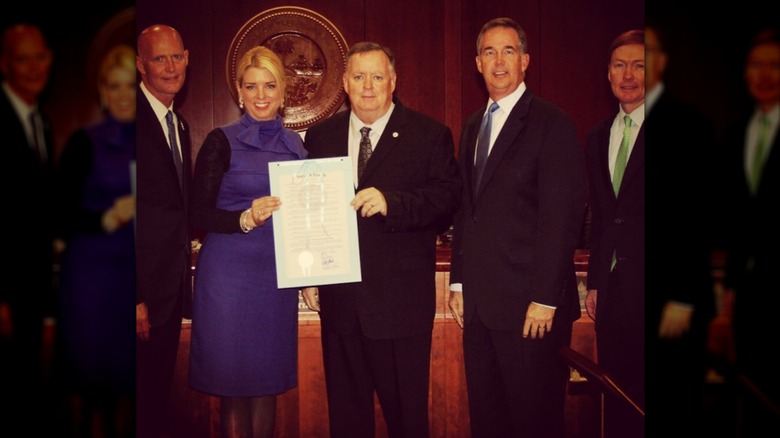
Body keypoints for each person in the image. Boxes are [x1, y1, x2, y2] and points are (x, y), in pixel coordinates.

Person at [302, 42, 461, 438]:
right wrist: (309, 273)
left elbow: (447, 200)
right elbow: (310, 209)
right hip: (340, 305)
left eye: (377, 76)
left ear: (393, 81)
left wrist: (393, 203)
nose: (368, 86)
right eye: (359, 77)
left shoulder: (428, 134)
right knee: (347, 422)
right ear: (345, 83)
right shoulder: (320, 137)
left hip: (399, 309)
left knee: (407, 422)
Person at [448, 17, 585, 438]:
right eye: (489, 52)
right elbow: (467, 211)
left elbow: (563, 217)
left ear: (525, 60)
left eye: (508, 51)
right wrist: (458, 281)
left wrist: (545, 297)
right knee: (488, 422)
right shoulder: (473, 125)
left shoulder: (551, 122)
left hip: (531, 309)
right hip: (480, 309)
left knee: (534, 422)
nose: (498, 61)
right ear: (477, 63)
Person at [188, 45, 306, 438]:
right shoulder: (220, 140)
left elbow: (307, 217)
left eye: (269, 85)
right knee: (234, 390)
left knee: (266, 384)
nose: (261, 95)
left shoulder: (297, 146)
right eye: (251, 86)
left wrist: (310, 274)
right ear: (239, 91)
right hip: (229, 278)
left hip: (275, 279)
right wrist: (245, 218)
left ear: (283, 90)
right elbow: (198, 214)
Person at [55, 43, 136, 437]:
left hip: (132, 279)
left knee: (129, 387)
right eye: (114, 86)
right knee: (91, 383)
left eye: (130, 85)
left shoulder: (154, 138)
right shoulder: (83, 142)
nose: (123, 95)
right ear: (103, 91)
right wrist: (107, 217)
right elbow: (59, 214)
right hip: (91, 279)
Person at [643, 23, 718, 436]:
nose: (636, 67)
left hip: (675, 302)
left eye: (647, 53)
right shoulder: (614, 128)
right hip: (634, 301)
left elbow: (701, 214)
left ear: (663, 61)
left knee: (676, 409)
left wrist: (685, 296)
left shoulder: (690, 124)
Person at [715, 28, 780, 436]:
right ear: (745, 72)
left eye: (775, 65)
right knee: (754, 392)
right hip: (750, 293)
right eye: (757, 65)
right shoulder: (737, 133)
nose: (766, 74)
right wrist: (731, 290)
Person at [583, 29, 645, 437]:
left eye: (639, 66)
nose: (628, 75)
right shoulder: (598, 135)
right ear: (608, 73)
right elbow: (604, 219)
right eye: (620, 65)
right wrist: (595, 282)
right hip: (611, 291)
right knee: (617, 396)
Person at [135, 24, 192, 438]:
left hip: (169, 293)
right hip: (139, 297)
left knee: (155, 401)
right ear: (141, 65)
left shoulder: (180, 125)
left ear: (187, 59)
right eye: (159, 58)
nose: (170, 67)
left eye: (176, 57)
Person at [0, 22, 54, 419]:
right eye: (23, 59)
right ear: (4, 65)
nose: (34, 67)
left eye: (39, 57)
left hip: (32, 286)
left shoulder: (41, 124)